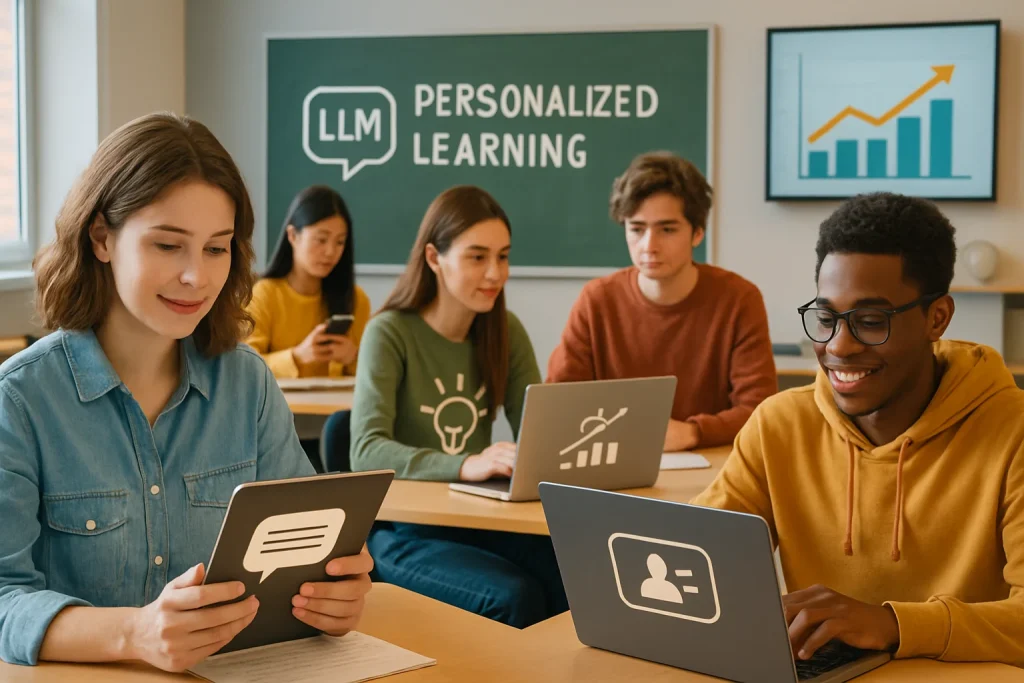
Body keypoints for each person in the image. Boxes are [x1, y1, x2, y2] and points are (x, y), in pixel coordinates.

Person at [0, 114, 371, 671]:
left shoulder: (249, 385)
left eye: (216, 249)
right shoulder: (22, 400)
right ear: (102, 238)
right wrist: (134, 633)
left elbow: (309, 551)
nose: (197, 276)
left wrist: (335, 590)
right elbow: (4, 600)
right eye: (169, 245)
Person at [694, 193, 1024, 666]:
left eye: (871, 322)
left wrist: (892, 624)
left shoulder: (1013, 431)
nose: (839, 346)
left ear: (938, 318)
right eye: (826, 319)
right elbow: (698, 558)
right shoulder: (778, 425)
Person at [349, 186, 567, 628]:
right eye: (477, 256)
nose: (494, 273)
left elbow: (539, 436)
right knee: (514, 597)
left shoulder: (505, 329)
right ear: (434, 258)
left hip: (484, 522)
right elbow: (365, 451)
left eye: (503, 257)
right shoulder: (388, 333)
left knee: (575, 575)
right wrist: (465, 463)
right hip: (402, 531)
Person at [547, 152, 777, 451]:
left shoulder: (739, 300)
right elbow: (557, 406)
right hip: (614, 461)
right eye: (637, 229)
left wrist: (693, 432)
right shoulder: (597, 300)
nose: (649, 246)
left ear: (697, 233)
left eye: (667, 230)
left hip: (709, 467)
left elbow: (760, 410)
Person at [246, 185, 371, 378]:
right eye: (321, 240)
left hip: (336, 407)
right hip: (281, 407)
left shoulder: (356, 299)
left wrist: (353, 357)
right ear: (293, 236)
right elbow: (244, 368)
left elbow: (372, 377)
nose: (331, 252)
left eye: (340, 242)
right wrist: (296, 357)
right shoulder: (264, 294)